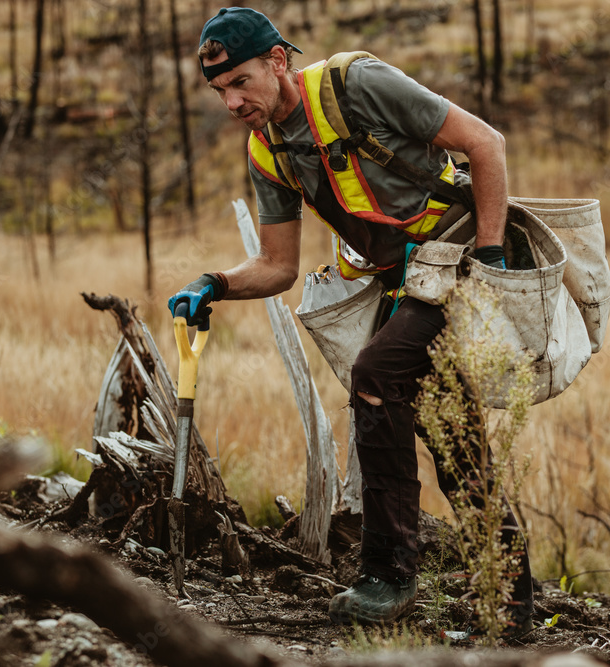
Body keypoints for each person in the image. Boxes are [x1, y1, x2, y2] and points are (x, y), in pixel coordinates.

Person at [169, 6, 534, 633]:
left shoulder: (355, 85)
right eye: (219, 90)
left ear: (278, 61)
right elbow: (277, 267)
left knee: (374, 375)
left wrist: (494, 256)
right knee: (451, 432)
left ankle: (388, 575)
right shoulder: (269, 152)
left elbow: (486, 144)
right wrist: (216, 284)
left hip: (459, 251)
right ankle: (512, 597)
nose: (231, 102)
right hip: (405, 282)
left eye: (240, 82)